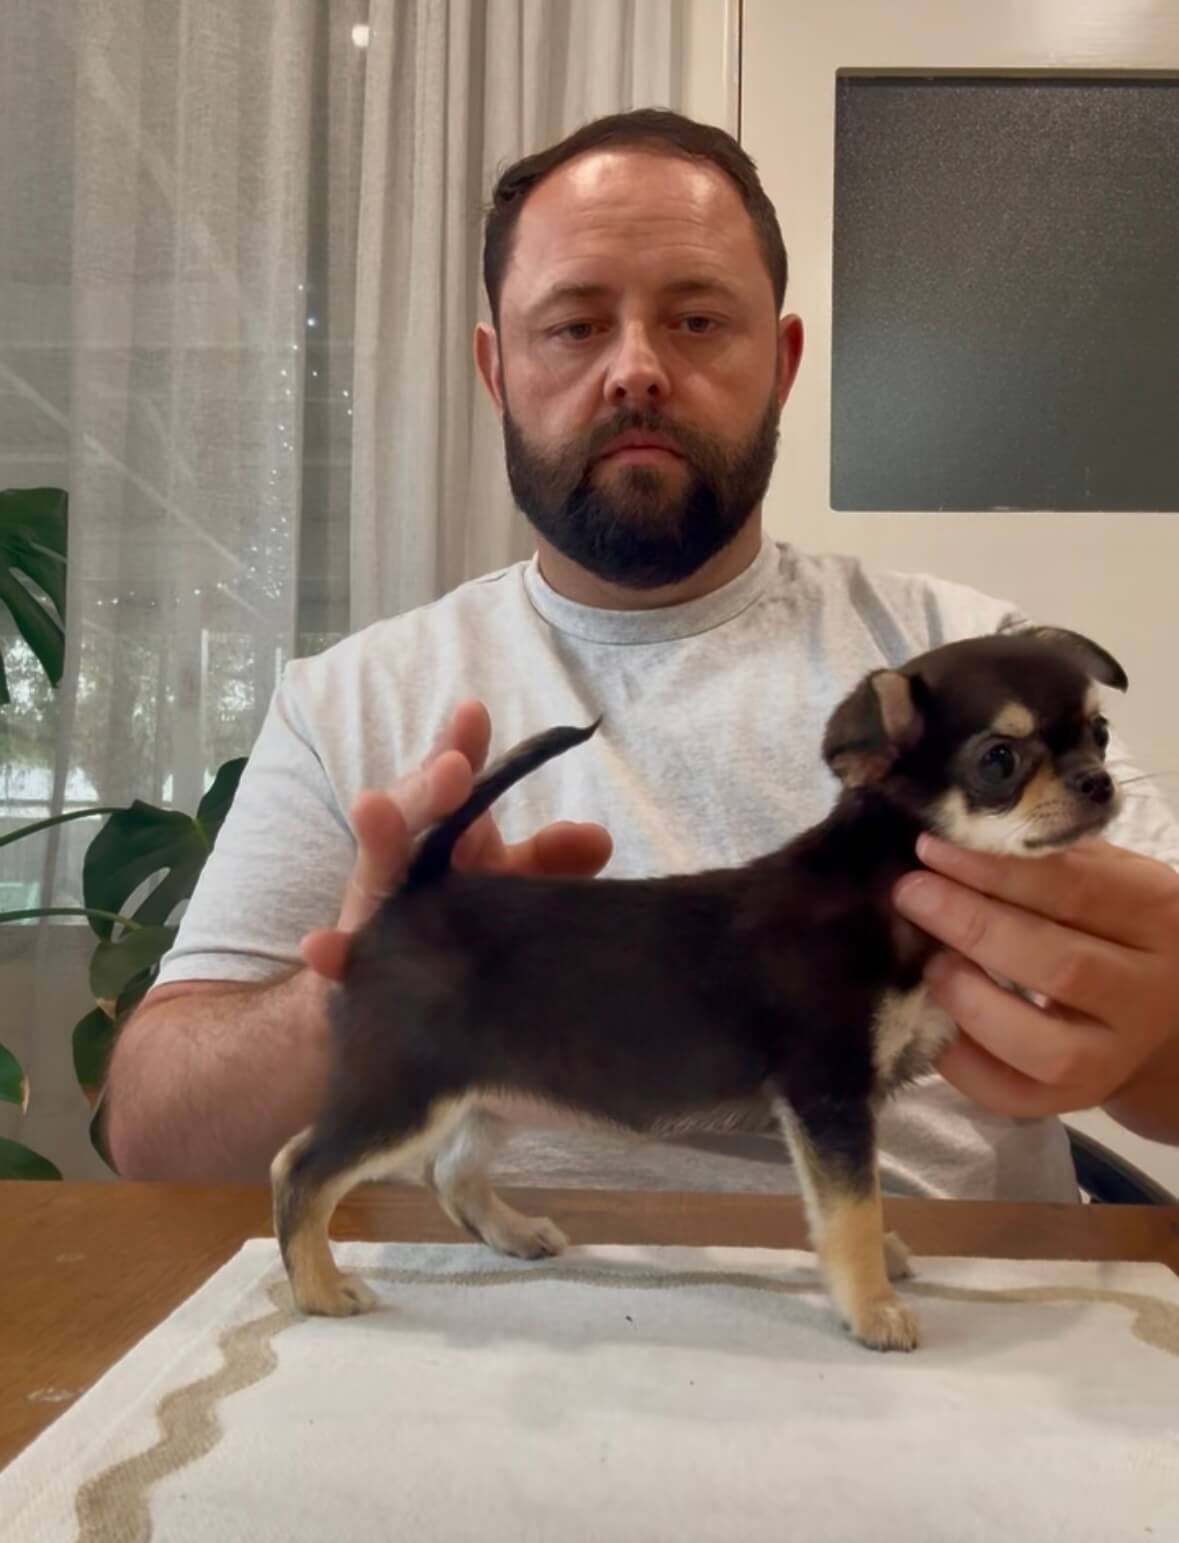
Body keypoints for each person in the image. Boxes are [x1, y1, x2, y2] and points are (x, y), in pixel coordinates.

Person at [103, 109, 1179, 1199]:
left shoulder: (973, 672)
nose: (635, 372)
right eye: (573, 327)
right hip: (475, 1297)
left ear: (783, 362)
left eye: (698, 320)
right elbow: (154, 1139)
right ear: (496, 371)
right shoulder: (348, 701)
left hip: (946, 1293)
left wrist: (1151, 1034)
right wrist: (382, 976)